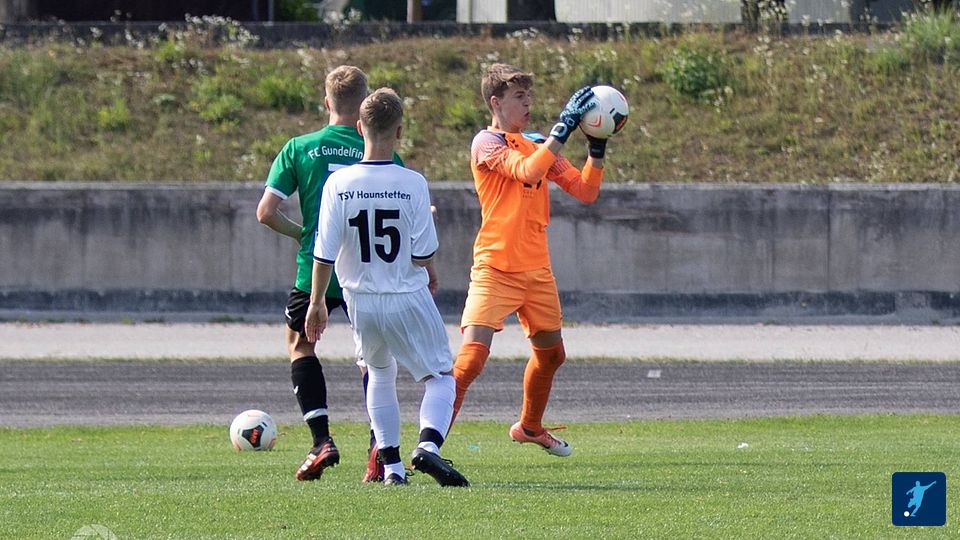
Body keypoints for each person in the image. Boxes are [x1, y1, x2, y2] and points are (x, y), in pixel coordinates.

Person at [305, 87, 469, 487]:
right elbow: (423, 252)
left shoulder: (339, 183)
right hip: (405, 293)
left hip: (360, 299)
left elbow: (324, 252)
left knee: (379, 372)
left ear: (360, 128)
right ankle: (428, 446)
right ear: (399, 132)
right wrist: (427, 249)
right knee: (440, 376)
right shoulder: (411, 183)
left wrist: (316, 302)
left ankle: (392, 468)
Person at [450, 63, 608, 457]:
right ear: (495, 102)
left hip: (536, 270)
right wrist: (562, 130)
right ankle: (428, 444)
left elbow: (585, 190)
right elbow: (524, 171)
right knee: (470, 361)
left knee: (552, 355)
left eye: (528, 96)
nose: (527, 103)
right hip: (495, 268)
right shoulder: (486, 142)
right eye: (519, 97)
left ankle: (530, 427)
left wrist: (597, 148)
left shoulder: (537, 142)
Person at [256, 65, 401, 482]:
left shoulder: (300, 147)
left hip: (315, 268)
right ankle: (379, 445)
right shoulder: (381, 146)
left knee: (301, 344)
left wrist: (302, 233)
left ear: (326, 102)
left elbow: (266, 212)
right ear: (366, 104)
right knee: (373, 359)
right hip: (368, 271)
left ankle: (321, 441)